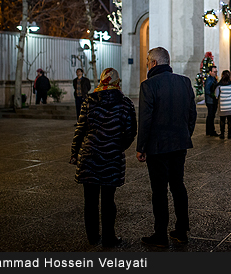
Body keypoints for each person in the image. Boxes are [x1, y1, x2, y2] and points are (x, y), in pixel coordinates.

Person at [136, 47, 197, 247]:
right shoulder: (184, 82)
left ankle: (160, 235)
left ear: (154, 63)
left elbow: (145, 120)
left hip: (157, 147)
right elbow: (192, 114)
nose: (147, 64)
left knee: (159, 191)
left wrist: (141, 146)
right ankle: (181, 230)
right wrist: (185, 134)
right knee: (178, 186)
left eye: (147, 61)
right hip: (179, 144)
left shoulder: (148, 85)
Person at [70, 68, 137, 247]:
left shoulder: (89, 100)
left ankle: (93, 237)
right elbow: (131, 131)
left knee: (90, 201)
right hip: (111, 158)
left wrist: (75, 152)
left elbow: (80, 128)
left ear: (101, 81)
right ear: (117, 81)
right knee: (108, 200)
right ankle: (109, 238)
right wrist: (118, 146)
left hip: (89, 156)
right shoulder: (125, 103)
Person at [215, 70, 231, 139]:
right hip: (230, 104)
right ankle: (229, 134)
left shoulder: (219, 84)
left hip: (222, 105)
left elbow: (216, 94)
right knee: (230, 120)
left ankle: (222, 134)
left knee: (222, 120)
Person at [204, 65, 219, 137]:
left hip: (212, 100)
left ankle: (209, 131)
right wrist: (214, 96)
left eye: (216, 71)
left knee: (211, 116)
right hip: (211, 101)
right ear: (210, 72)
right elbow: (207, 90)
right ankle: (211, 131)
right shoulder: (209, 80)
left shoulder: (213, 78)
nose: (215, 73)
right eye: (214, 71)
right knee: (211, 116)